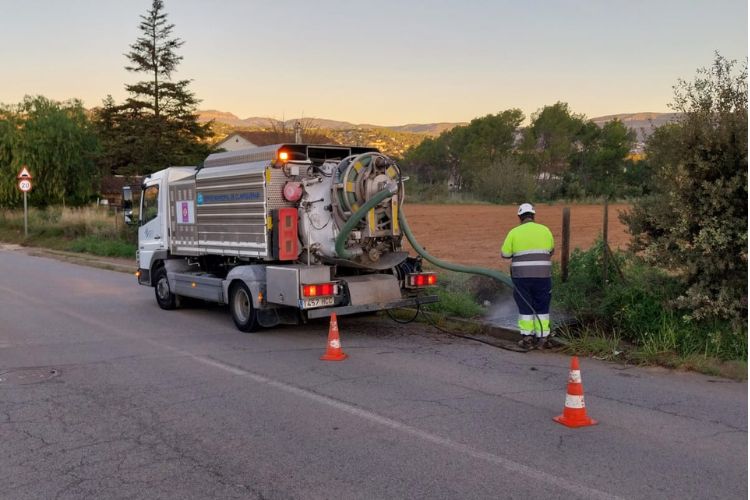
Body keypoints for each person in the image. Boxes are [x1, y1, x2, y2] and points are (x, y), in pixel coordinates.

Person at [501, 203, 555, 349]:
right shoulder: (545, 230)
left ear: (520, 217)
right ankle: (543, 339)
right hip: (543, 276)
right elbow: (550, 250)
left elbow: (505, 254)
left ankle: (527, 339)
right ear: (533, 216)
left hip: (521, 277)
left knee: (525, 307)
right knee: (542, 306)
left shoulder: (514, 232)